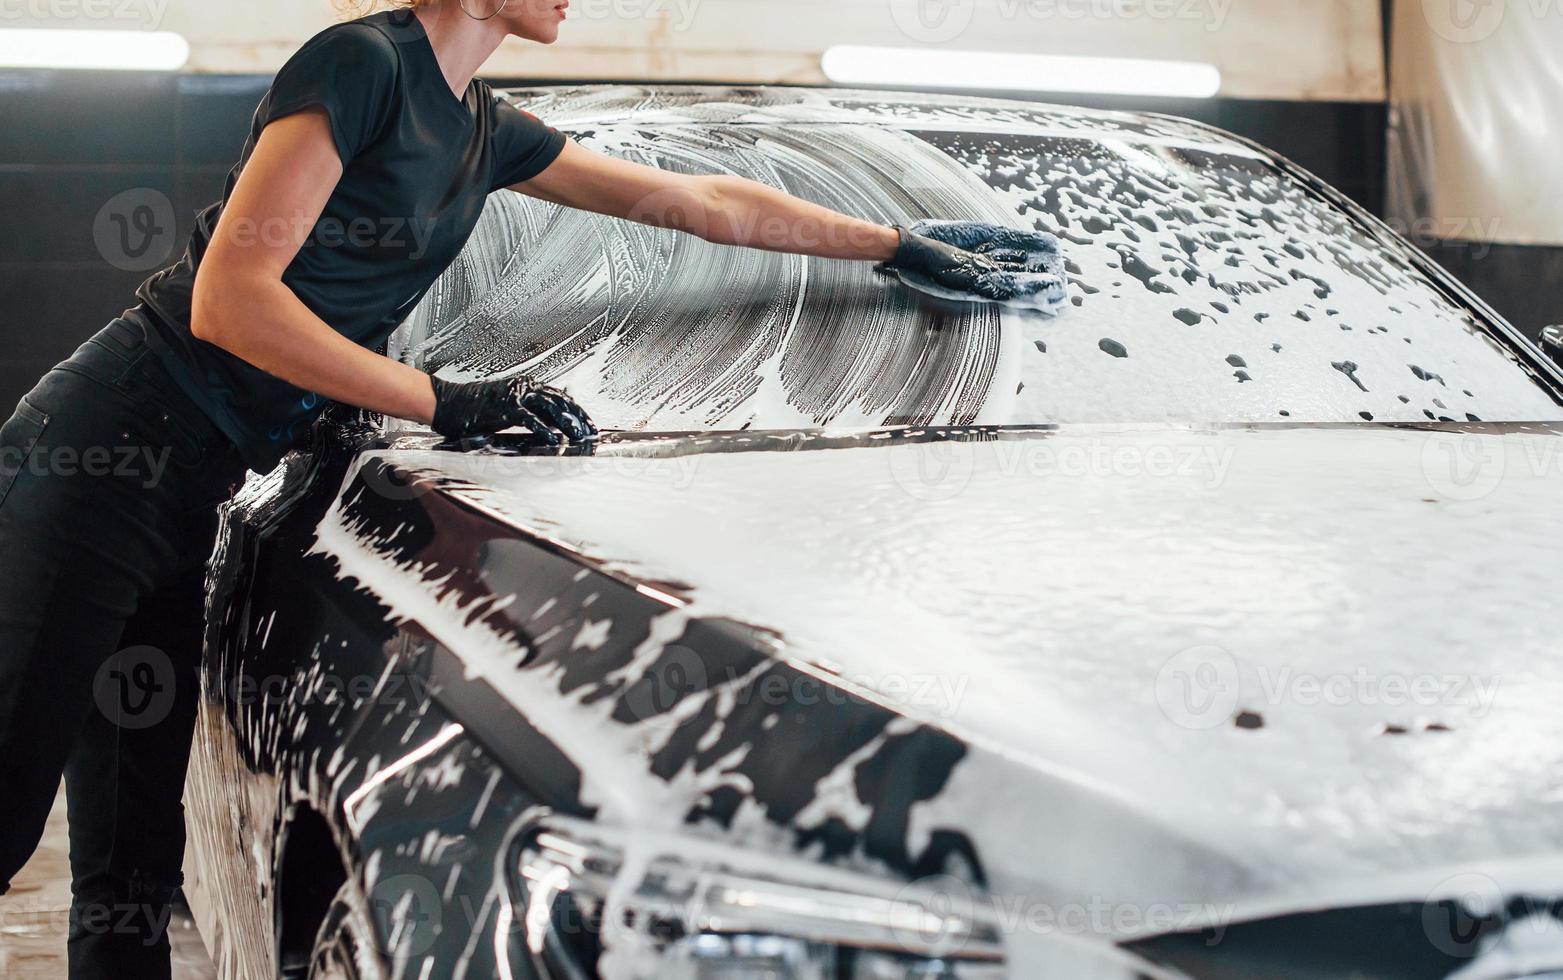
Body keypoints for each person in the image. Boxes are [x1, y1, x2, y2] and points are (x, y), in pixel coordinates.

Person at [0, 0, 1034, 976]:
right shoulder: (362, 66)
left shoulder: (484, 130)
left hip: (191, 487)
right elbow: (232, 300)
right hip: (105, 448)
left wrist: (895, 246)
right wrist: (440, 401)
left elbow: (700, 205)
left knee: (133, 857)